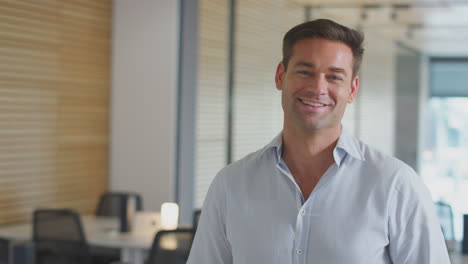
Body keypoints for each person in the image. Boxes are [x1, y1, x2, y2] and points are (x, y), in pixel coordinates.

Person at [187, 19, 450, 264]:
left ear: (352, 90)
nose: (318, 88)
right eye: (305, 72)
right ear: (281, 76)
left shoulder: (396, 185)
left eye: (334, 76)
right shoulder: (231, 185)